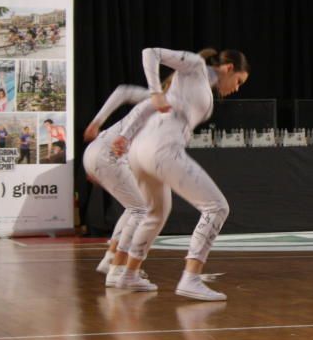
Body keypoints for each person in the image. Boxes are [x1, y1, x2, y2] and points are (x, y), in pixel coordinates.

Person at [114, 47, 248, 301]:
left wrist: (126, 135)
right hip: (161, 150)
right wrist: (155, 92)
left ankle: (129, 273)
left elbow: (150, 109)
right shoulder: (196, 66)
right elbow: (150, 52)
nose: (237, 88)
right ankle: (191, 278)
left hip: (142, 150)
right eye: (239, 81)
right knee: (217, 207)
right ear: (229, 68)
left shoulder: (196, 86)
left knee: (155, 213)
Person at [83, 84, 152, 281]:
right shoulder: (164, 101)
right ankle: (118, 267)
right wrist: (96, 122)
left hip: (98, 151)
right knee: (142, 210)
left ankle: (110, 259)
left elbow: (123, 93)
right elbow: (123, 92)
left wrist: (97, 123)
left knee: (134, 208)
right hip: (107, 153)